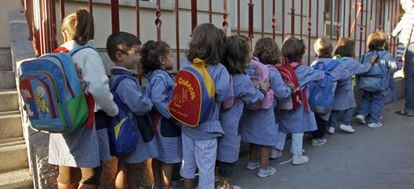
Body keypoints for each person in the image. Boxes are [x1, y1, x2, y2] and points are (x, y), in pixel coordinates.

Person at [48, 9, 119, 189]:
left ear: (65, 33)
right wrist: (113, 110)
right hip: (85, 121)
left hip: (61, 121)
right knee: (91, 175)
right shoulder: (88, 54)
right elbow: (99, 89)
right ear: (90, 31)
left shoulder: (55, 54)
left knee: (66, 173)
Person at [179, 23, 234, 189]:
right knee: (206, 169)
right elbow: (224, 95)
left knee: (187, 164)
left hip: (187, 126)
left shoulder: (186, 65)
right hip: (207, 128)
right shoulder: (219, 70)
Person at [106, 32, 157, 189]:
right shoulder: (125, 82)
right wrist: (149, 98)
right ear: (120, 55)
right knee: (129, 168)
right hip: (130, 130)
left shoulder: (115, 77)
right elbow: (139, 106)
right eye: (136, 52)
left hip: (121, 129)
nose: (140, 57)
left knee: (124, 166)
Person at [217, 35, 265, 188]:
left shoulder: (221, 72)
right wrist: (263, 90)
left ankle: (214, 179)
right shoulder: (242, 80)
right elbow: (254, 98)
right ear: (242, 58)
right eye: (249, 51)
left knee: (216, 152)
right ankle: (224, 185)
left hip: (215, 120)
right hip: (230, 123)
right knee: (228, 152)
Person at [274, 37, 325, 165]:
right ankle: (297, 155)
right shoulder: (303, 69)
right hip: (297, 104)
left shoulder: (280, 68)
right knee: (298, 129)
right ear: (301, 54)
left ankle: (276, 150)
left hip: (282, 103)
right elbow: (319, 76)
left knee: (283, 127)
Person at [140, 40, 182, 189]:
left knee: (158, 156)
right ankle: (166, 185)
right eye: (170, 55)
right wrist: (172, 115)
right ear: (162, 60)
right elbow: (158, 99)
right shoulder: (161, 77)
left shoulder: (155, 76)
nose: (173, 58)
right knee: (168, 159)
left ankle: (158, 184)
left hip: (158, 124)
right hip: (165, 124)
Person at [310, 37, 349, 146]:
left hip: (313, 98)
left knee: (314, 116)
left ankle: (313, 133)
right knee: (323, 117)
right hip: (327, 98)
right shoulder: (336, 65)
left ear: (316, 51)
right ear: (331, 50)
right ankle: (318, 138)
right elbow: (345, 76)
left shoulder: (314, 64)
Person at [328, 38, 372, 134]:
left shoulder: (335, 59)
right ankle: (346, 123)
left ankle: (331, 126)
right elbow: (364, 68)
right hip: (346, 88)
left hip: (335, 88)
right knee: (351, 105)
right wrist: (370, 63)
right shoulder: (351, 61)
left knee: (335, 107)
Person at [356, 31, 399, 128]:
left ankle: (361, 114)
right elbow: (393, 67)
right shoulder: (387, 55)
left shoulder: (366, 55)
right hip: (379, 84)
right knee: (377, 101)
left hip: (365, 83)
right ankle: (373, 121)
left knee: (366, 98)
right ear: (384, 43)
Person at [393, 0, 414, 117]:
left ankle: (410, 109)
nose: (402, 5)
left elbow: (405, 37)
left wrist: (399, 56)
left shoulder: (410, 15)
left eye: (405, 2)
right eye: (401, 3)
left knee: (410, 79)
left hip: (413, 47)